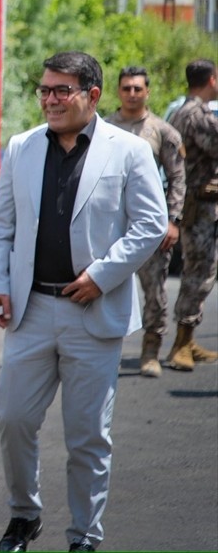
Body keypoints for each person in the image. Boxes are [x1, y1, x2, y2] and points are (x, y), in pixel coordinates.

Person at [0, 52, 167, 552]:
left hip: (93, 313)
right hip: (30, 311)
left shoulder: (128, 151)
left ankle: (85, 534)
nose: (50, 99)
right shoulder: (21, 147)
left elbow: (150, 224)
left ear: (92, 95)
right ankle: (24, 515)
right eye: (45, 90)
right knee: (14, 419)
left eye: (61, 90)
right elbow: (2, 225)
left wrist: (101, 276)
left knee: (88, 436)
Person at [103, 66, 186, 377]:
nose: (132, 94)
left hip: (148, 225)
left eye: (138, 88)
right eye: (126, 88)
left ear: (147, 92)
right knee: (103, 286)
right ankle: (102, 350)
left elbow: (178, 178)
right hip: (110, 225)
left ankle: (151, 350)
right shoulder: (104, 127)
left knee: (154, 292)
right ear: (118, 91)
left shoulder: (162, 131)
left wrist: (172, 220)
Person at [165, 58, 218, 371]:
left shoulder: (183, 110)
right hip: (198, 206)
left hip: (197, 204)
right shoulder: (196, 114)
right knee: (199, 272)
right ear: (211, 79)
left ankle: (188, 339)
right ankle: (181, 344)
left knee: (198, 271)